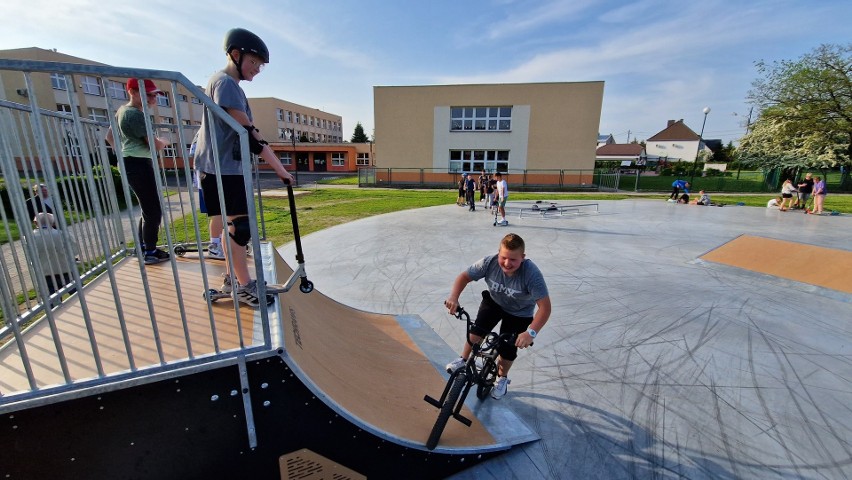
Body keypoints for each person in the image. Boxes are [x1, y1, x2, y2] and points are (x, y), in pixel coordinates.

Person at [194, 28, 295, 308]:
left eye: (260, 65)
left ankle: (234, 279)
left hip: (218, 167)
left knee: (233, 226)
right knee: (240, 227)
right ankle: (244, 285)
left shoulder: (223, 83)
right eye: (254, 62)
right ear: (235, 55)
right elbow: (249, 133)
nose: (257, 69)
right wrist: (281, 170)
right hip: (221, 168)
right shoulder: (225, 84)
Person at [444, 233, 551, 400]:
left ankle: (501, 379)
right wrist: (453, 297)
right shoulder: (489, 262)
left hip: (519, 312)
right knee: (476, 331)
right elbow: (464, 277)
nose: (507, 263)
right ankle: (464, 360)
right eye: (504, 257)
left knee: (507, 349)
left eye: (513, 260)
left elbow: (545, 308)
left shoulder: (531, 274)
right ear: (498, 253)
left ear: (523, 257)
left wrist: (530, 333)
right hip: (494, 302)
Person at [105, 78, 170, 266]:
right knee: (153, 210)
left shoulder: (121, 112)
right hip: (138, 163)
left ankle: (144, 247)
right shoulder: (135, 114)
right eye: (148, 95)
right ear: (132, 92)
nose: (152, 99)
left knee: (147, 209)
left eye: (154, 95)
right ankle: (149, 251)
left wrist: (122, 153)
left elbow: (109, 136)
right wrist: (164, 141)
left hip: (131, 162)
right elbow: (154, 144)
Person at [28, 213, 78, 303]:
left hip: (45, 274)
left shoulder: (30, 238)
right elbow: (75, 251)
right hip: (66, 270)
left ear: (35, 222)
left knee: (53, 303)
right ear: (53, 223)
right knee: (80, 296)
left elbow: (31, 257)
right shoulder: (63, 234)